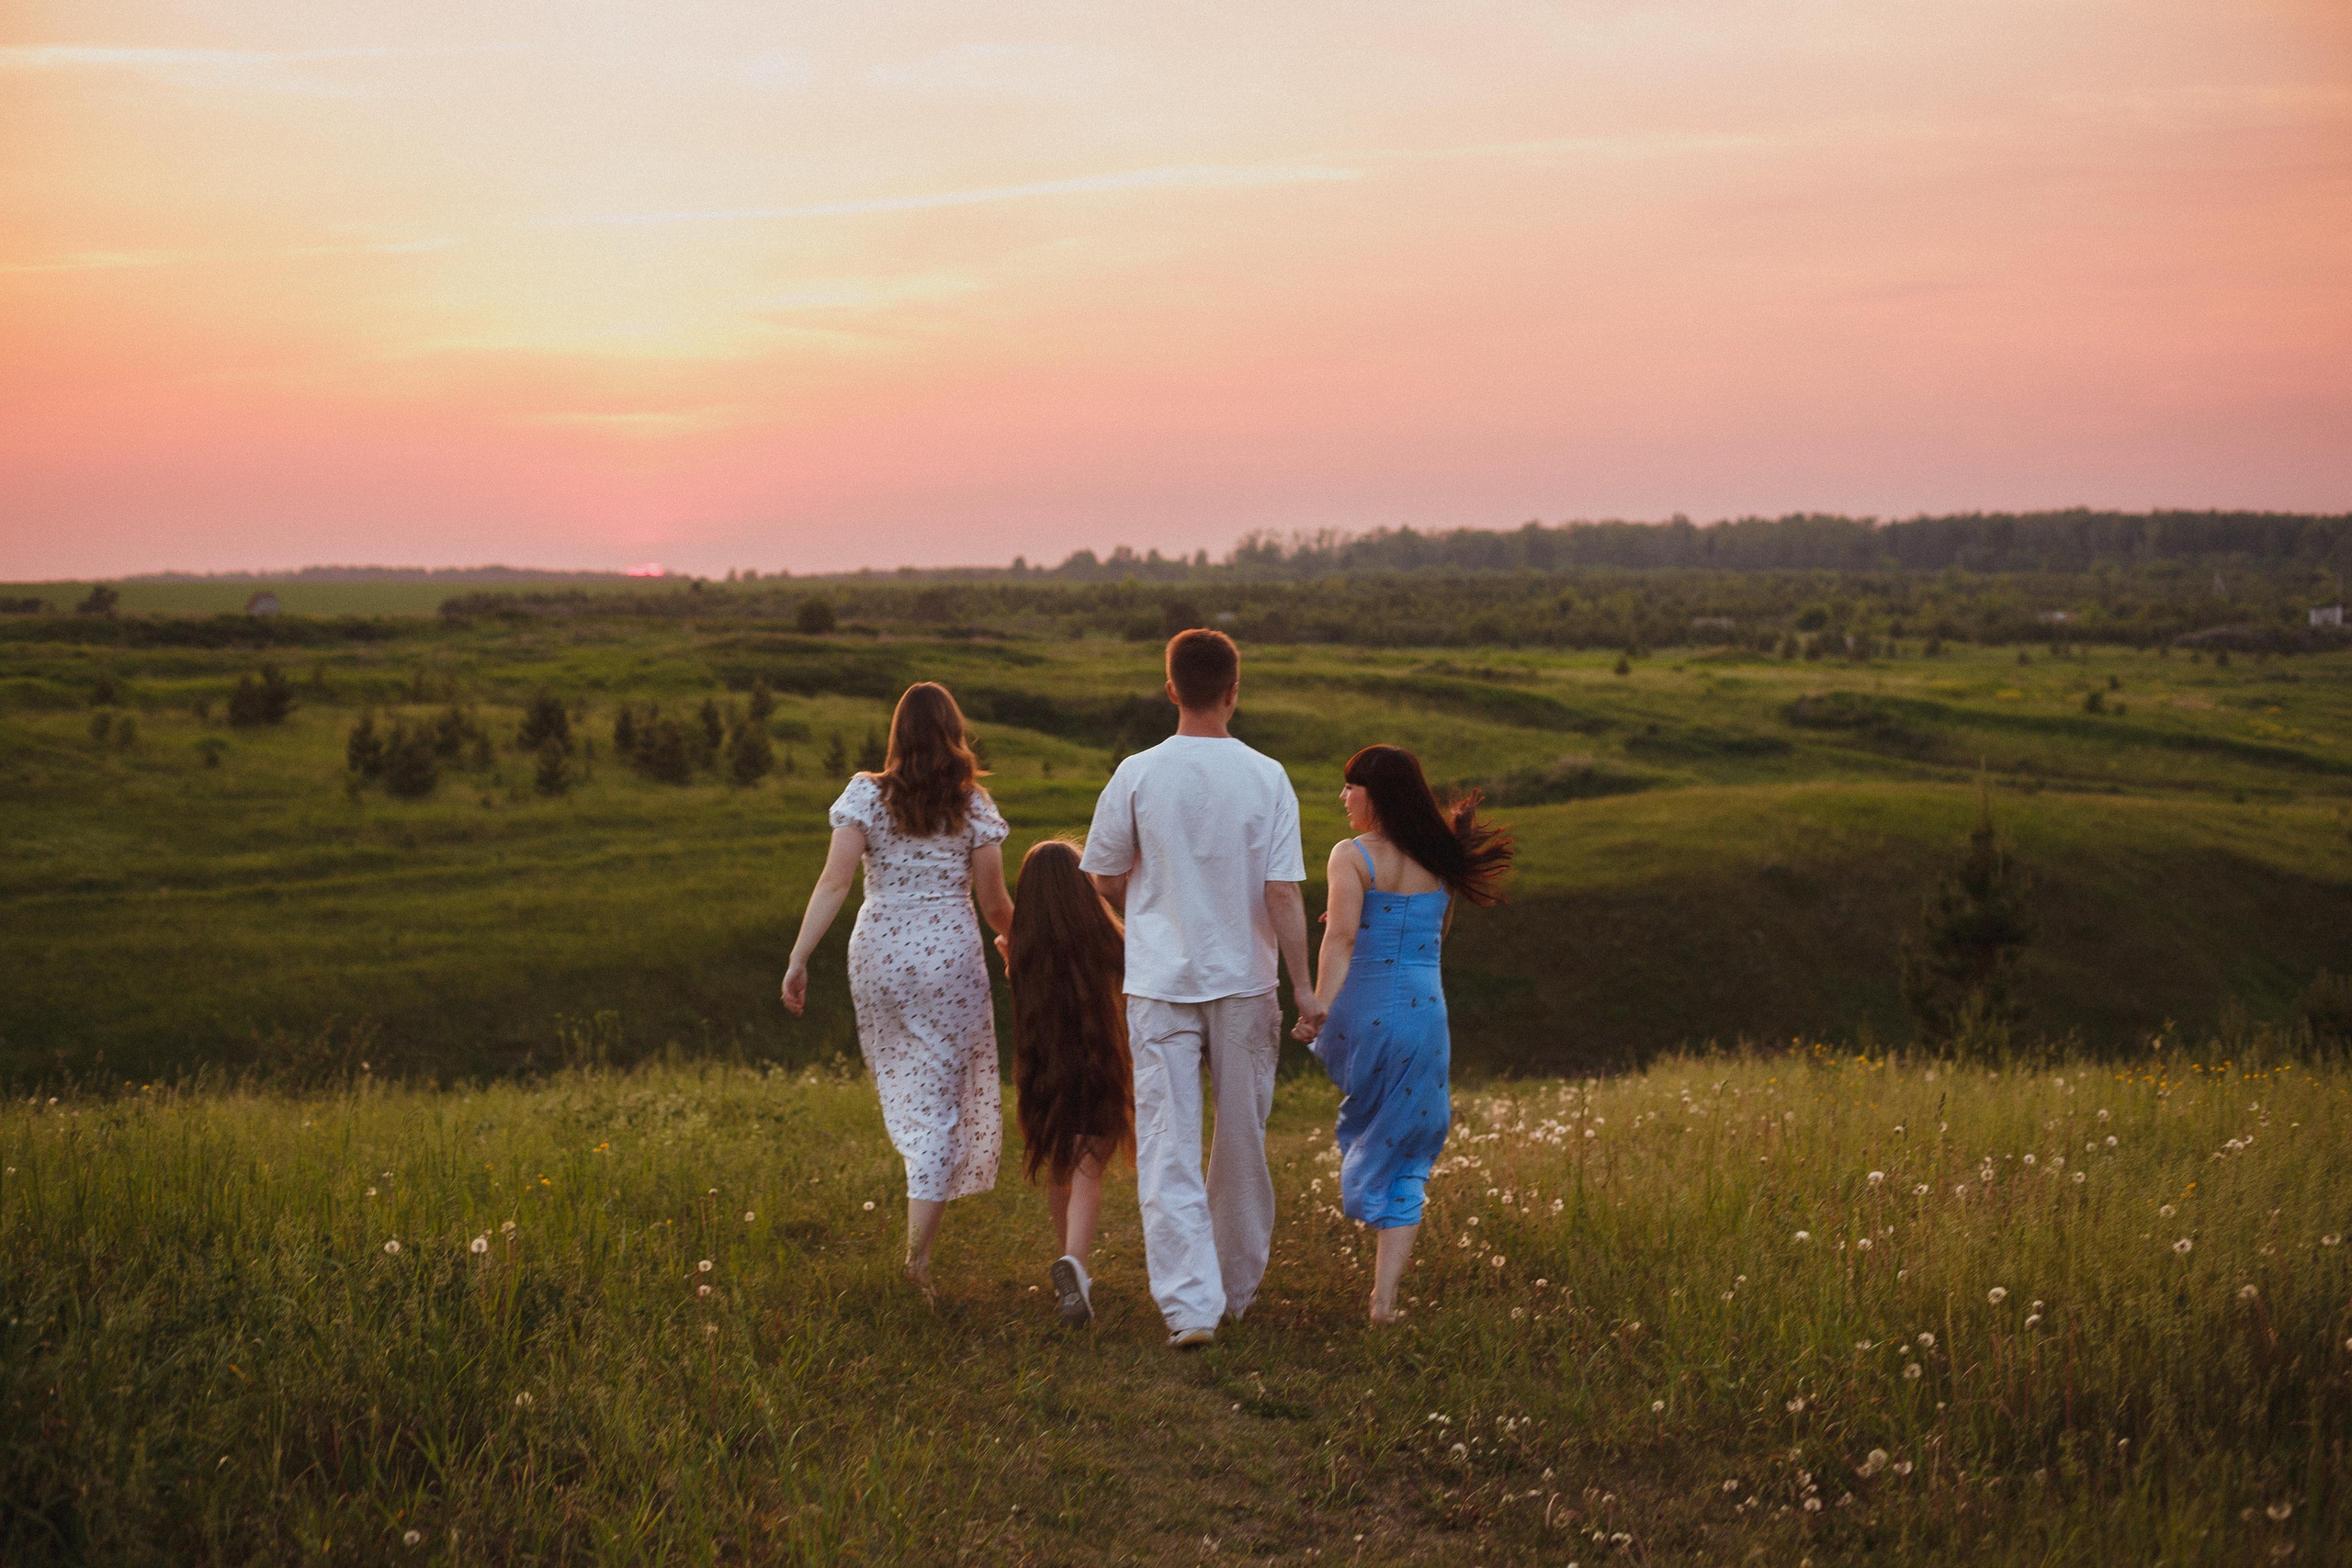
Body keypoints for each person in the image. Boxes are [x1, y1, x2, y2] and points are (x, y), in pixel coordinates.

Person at [1081, 628, 1320, 1349]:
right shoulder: (1268, 775)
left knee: (1167, 1141)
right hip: (1245, 981)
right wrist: (1304, 990)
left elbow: (1101, 874)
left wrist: (1153, 906)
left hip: (1158, 979)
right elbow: (1282, 893)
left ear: (1171, 689)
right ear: (1233, 690)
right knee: (1241, 1140)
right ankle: (1235, 1293)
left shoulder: (1136, 773)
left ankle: (1191, 1307)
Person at [781, 682, 1013, 1295]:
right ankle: (916, 1262)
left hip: (879, 953)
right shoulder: (974, 805)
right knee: (941, 1106)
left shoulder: (865, 795)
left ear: (897, 736)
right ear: (952, 733)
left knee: (915, 1096)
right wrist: (1021, 943)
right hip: (949, 961)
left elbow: (833, 882)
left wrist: (799, 958)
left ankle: (918, 1230)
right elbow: (995, 904)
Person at [1293, 744, 1512, 1324]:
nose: (1343, 798)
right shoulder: (1441, 858)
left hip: (1364, 1014)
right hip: (1424, 1016)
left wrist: (1316, 1005)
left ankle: (1368, 1198)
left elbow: (1339, 940)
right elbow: (1433, 936)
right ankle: (1383, 1301)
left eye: (1351, 787)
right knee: (1410, 1150)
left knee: (1371, 1121)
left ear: (1376, 794)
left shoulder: (1352, 855)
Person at [998, 837, 1134, 1326]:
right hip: (1097, 1064)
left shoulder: (1021, 946)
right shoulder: (1105, 939)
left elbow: (1018, 976)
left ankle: (1068, 1264)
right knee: (1087, 1169)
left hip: (1041, 1071)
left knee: (1059, 1161)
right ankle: (1074, 1262)